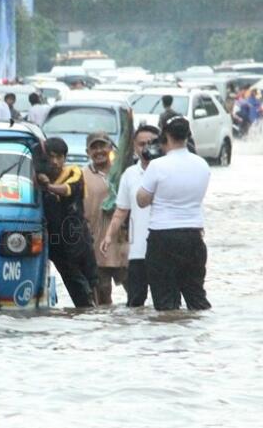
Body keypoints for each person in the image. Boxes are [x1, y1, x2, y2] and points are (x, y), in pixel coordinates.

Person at [137, 116, 211, 311]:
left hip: (163, 238)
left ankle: (170, 340)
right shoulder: (202, 165)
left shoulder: (157, 166)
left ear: (166, 136)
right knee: (197, 298)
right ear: (188, 135)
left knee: (165, 302)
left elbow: (141, 200)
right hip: (194, 236)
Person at [101, 125, 160, 307]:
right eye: (142, 143)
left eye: (151, 143)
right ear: (134, 146)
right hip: (138, 250)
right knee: (135, 303)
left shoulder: (166, 171)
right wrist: (109, 236)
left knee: (164, 303)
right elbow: (121, 210)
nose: (146, 148)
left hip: (164, 249)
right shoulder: (130, 174)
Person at [37, 137, 98, 308]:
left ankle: (96, 316)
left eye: (59, 157)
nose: (55, 162)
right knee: (74, 283)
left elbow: (67, 190)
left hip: (77, 238)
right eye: (51, 157)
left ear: (64, 158)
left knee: (92, 282)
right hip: (55, 241)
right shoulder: (36, 175)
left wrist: (47, 186)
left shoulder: (73, 172)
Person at [82, 131, 129, 305]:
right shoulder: (82, 176)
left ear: (111, 148)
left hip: (124, 244)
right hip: (96, 247)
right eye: (94, 147)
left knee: (136, 295)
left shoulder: (124, 172)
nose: (99, 151)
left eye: (103, 146)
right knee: (102, 300)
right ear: (87, 152)